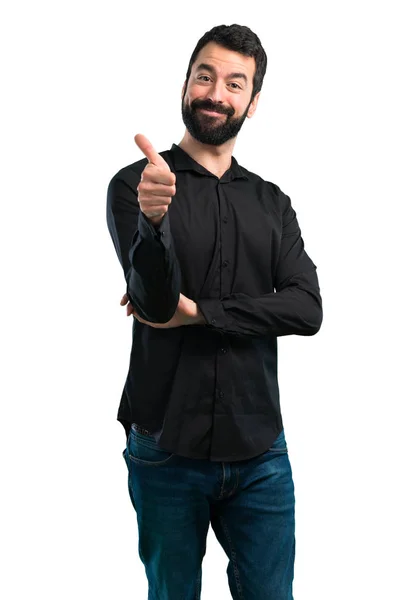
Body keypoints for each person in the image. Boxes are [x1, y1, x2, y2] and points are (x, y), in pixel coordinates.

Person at [106, 23, 322, 600]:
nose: (215, 92)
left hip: (260, 453)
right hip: (165, 447)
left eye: (234, 82)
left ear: (253, 103)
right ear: (186, 83)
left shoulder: (272, 203)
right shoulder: (136, 184)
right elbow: (153, 304)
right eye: (205, 75)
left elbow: (306, 307)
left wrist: (202, 310)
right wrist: (153, 223)